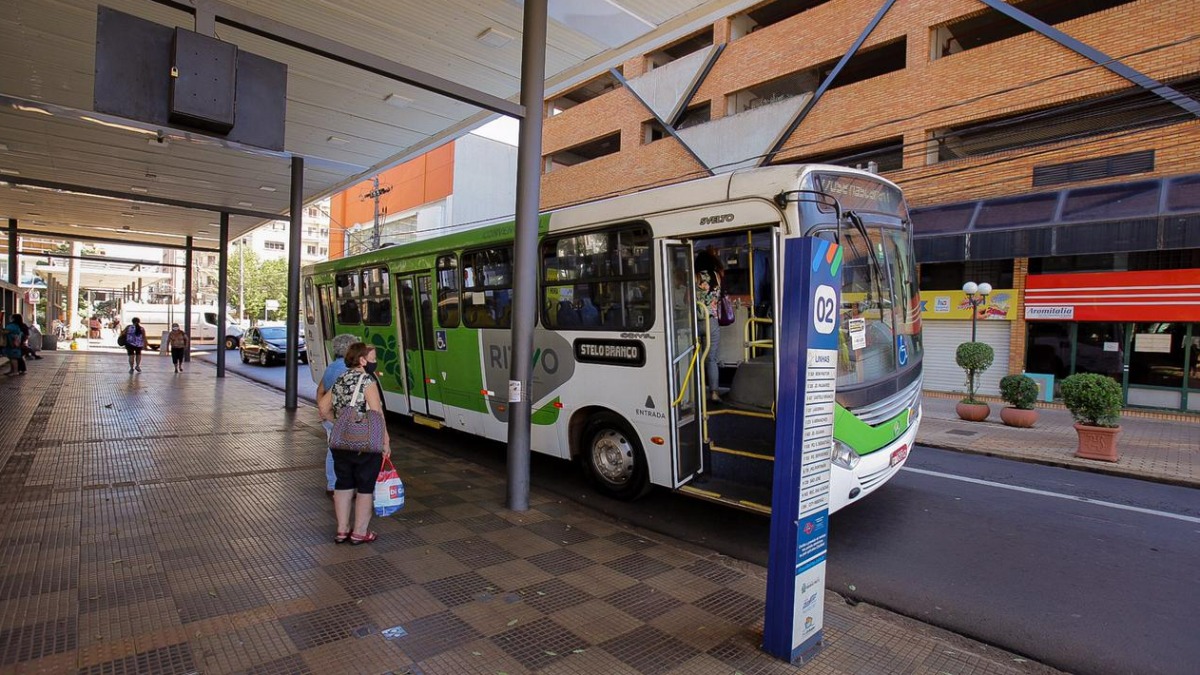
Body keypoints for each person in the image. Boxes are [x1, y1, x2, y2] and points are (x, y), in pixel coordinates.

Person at [319, 342, 391, 545]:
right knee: (365, 487)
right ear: (362, 360)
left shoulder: (341, 378)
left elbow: (323, 408)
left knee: (343, 484)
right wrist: (385, 441)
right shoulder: (367, 380)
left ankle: (342, 530)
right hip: (365, 443)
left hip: (341, 442)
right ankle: (360, 532)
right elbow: (377, 414)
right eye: (373, 358)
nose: (375, 363)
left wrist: (338, 422)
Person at [316, 334, 357, 497]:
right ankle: (344, 487)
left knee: (332, 452)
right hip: (342, 418)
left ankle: (332, 485)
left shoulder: (331, 367)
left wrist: (324, 412)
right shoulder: (347, 370)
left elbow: (320, 391)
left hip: (330, 418)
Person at [695, 249, 724, 403]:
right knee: (711, 359)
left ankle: (695, 391)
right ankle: (714, 393)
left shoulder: (696, 276)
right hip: (712, 321)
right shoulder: (717, 276)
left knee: (695, 357)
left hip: (695, 321)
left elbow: (688, 297)